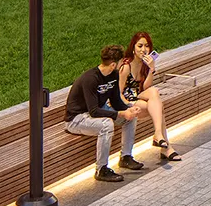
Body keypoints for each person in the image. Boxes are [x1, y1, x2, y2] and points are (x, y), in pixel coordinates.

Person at [64, 44, 148, 182]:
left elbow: (115, 102)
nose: (123, 65)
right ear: (114, 64)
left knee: (130, 118)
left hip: (94, 115)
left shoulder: (113, 75)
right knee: (106, 124)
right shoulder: (90, 79)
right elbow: (94, 111)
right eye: (121, 62)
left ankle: (126, 157)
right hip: (76, 119)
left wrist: (129, 108)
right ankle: (101, 169)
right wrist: (120, 114)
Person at [119, 32, 181, 161]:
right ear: (133, 47)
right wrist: (129, 106)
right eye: (140, 46)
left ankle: (158, 135)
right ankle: (165, 146)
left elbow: (146, 87)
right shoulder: (126, 66)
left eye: (146, 46)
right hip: (125, 100)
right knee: (158, 109)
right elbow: (117, 93)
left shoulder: (146, 63)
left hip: (139, 94)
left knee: (154, 92)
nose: (143, 50)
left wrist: (151, 69)